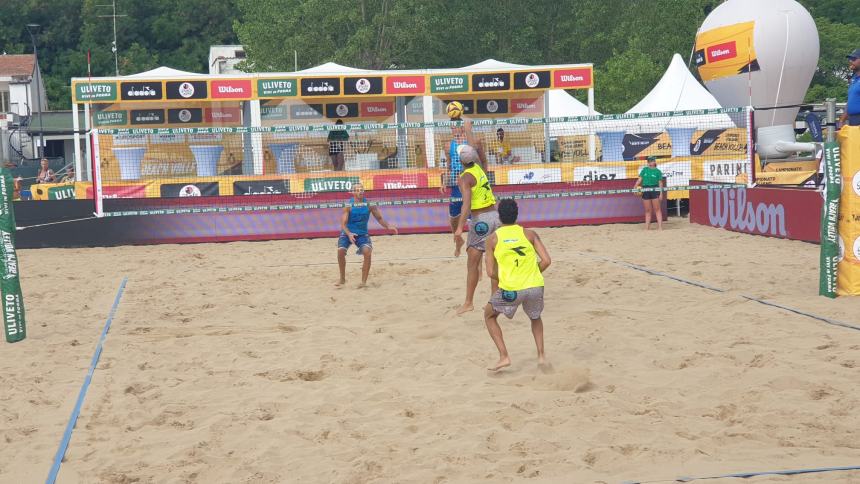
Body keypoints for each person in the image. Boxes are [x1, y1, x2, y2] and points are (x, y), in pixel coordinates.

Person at [484, 199, 552, 371]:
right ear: (516, 215)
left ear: (499, 217)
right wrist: (531, 273)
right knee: (535, 317)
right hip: (535, 285)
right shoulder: (530, 234)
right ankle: (542, 356)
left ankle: (504, 356)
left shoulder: (492, 239)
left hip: (512, 289)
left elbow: (491, 272)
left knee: (489, 316)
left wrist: (509, 278)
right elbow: (546, 261)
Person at [454, 143, 500, 315]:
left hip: (481, 220)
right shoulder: (479, 168)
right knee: (494, 260)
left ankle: (468, 303)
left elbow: (466, 204)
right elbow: (478, 150)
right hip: (496, 217)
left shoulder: (465, 177)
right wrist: (468, 129)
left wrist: (459, 227)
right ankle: (494, 302)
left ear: (460, 160)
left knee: (472, 263)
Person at [441, 115, 487, 256]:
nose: (454, 129)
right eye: (452, 127)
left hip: (471, 183)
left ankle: (477, 248)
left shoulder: (474, 142)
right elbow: (448, 165)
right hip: (456, 186)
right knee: (454, 219)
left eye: (456, 126)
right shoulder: (449, 145)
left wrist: (482, 178)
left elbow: (483, 161)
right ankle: (458, 240)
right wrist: (444, 181)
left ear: (462, 127)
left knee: (474, 217)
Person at [336, 182, 397, 288]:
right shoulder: (348, 205)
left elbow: (379, 218)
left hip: (362, 234)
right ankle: (342, 279)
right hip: (348, 232)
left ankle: (363, 282)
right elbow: (343, 224)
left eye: (362, 189)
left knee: (367, 252)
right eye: (358, 189)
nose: (360, 191)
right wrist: (349, 234)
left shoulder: (369, 205)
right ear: (353, 192)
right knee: (340, 251)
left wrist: (388, 226)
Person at [634, 156, 665, 230]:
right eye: (649, 161)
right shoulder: (644, 170)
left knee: (657, 209)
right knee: (647, 210)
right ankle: (647, 228)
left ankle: (660, 227)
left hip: (654, 190)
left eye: (651, 161)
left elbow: (660, 183)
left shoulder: (658, 171)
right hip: (645, 190)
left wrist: (661, 193)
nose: (650, 162)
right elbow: (639, 180)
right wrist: (635, 186)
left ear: (654, 162)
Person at [840, 48, 860, 127]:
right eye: (850, 59)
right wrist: (842, 120)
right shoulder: (854, 79)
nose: (851, 61)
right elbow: (850, 101)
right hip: (853, 120)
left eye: (854, 59)